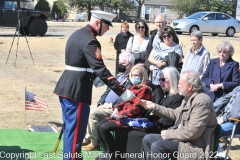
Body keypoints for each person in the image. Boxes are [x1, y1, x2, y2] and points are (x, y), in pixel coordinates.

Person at [53, 10, 135, 160]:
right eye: (106, 25)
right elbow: (101, 70)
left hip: (69, 88)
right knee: (75, 134)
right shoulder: (90, 40)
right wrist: (123, 92)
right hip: (77, 91)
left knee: (71, 132)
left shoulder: (77, 34)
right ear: (98, 23)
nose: (108, 29)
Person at [141, 70, 217, 160]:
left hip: (193, 146)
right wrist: (154, 106)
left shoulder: (201, 102)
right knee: (147, 139)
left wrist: (169, 134)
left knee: (157, 146)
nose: (177, 86)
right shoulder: (189, 97)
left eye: (180, 83)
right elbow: (175, 113)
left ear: (189, 86)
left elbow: (192, 132)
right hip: (182, 140)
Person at [114, 67, 184, 160]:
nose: (161, 82)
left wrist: (147, 124)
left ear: (173, 80)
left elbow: (168, 121)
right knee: (124, 132)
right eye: (159, 79)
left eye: (163, 79)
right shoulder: (167, 96)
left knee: (132, 135)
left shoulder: (177, 98)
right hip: (156, 126)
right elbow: (157, 116)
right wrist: (142, 120)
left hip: (163, 131)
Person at [95, 65, 153, 160]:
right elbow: (122, 102)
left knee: (105, 128)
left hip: (133, 118)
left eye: (137, 75)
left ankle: (113, 154)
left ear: (143, 76)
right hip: (122, 116)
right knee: (98, 126)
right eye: (133, 75)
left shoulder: (145, 89)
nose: (135, 77)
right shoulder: (131, 87)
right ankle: (107, 152)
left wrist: (120, 115)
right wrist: (117, 108)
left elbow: (136, 109)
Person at [82, 52, 135, 151]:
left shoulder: (132, 79)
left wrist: (110, 105)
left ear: (130, 65)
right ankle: (87, 137)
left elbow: (126, 98)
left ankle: (94, 142)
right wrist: (100, 103)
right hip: (105, 105)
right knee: (89, 109)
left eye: (123, 64)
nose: (120, 66)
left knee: (94, 113)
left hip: (116, 109)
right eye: (119, 63)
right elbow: (107, 91)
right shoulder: (119, 75)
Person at [148, 26, 183, 104]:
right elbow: (150, 58)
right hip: (157, 78)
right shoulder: (158, 45)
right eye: (164, 36)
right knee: (158, 100)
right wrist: (157, 63)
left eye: (168, 35)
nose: (166, 38)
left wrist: (164, 63)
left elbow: (179, 59)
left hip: (169, 79)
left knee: (170, 100)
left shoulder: (177, 47)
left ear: (173, 36)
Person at [213, 85, 240, 158]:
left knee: (213, 130)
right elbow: (224, 99)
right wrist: (210, 108)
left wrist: (224, 118)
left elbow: (237, 113)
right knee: (204, 126)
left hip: (236, 123)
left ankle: (220, 156)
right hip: (226, 118)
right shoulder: (238, 88)